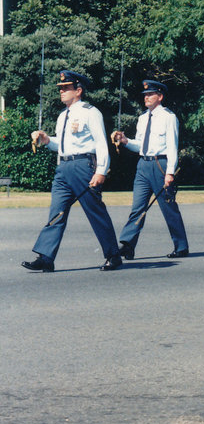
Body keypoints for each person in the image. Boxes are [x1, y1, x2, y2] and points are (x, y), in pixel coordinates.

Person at [22, 70, 122, 273]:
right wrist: (46, 140)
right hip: (64, 167)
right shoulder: (62, 116)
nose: (62, 92)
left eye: (66, 88)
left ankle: (113, 255)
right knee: (56, 211)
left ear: (78, 90)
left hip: (83, 166)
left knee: (95, 211)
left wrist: (101, 171)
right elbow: (63, 144)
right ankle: (46, 257)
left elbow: (102, 144)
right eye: (60, 88)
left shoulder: (90, 112)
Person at [112, 80, 190, 259]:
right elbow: (140, 145)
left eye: (150, 94)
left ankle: (181, 246)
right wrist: (125, 141)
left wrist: (170, 172)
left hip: (160, 164)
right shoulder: (142, 118)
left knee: (168, 207)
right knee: (137, 207)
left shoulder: (168, 117)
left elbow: (172, 146)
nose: (146, 98)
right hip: (143, 164)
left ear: (160, 97)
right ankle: (128, 244)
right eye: (145, 95)